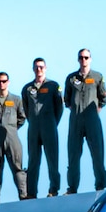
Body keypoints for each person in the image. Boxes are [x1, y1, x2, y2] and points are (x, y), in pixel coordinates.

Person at [65, 51, 106, 193]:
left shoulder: (97, 77)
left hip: (92, 120)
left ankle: (100, 185)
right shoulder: (71, 78)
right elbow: (67, 99)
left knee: (97, 153)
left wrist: (97, 109)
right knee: (73, 155)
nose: (83, 60)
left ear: (90, 59)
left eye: (86, 57)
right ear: (78, 60)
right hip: (76, 120)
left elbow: (103, 97)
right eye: (81, 58)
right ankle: (72, 187)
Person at [0, 71, 28, 203]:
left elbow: (22, 118)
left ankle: (23, 194)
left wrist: (11, 129)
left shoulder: (16, 100)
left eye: (4, 81)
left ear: (8, 82)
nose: (1, 84)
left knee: (18, 167)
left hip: (12, 138)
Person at [23, 58, 63, 197]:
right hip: (33, 127)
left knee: (52, 159)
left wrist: (52, 122)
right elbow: (26, 109)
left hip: (49, 125)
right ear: (33, 69)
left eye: (41, 67)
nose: (39, 70)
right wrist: (34, 121)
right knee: (33, 160)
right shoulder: (27, 88)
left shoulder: (53, 86)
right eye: (36, 67)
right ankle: (31, 192)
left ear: (45, 68)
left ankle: (53, 189)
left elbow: (59, 107)